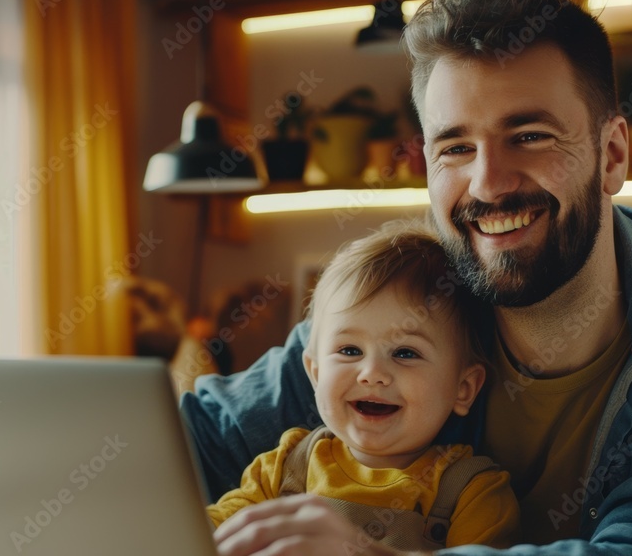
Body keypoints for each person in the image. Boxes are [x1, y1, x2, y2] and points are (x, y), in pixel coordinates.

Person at [186, 0, 632, 555]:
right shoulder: (406, 292)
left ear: (612, 155)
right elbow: (197, 442)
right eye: (455, 148)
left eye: (529, 136)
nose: (488, 184)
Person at [207, 221, 521, 551]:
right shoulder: (282, 468)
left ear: (464, 388)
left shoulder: (472, 494)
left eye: (405, 352)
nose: (371, 373)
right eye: (349, 350)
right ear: (314, 373)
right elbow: (203, 533)